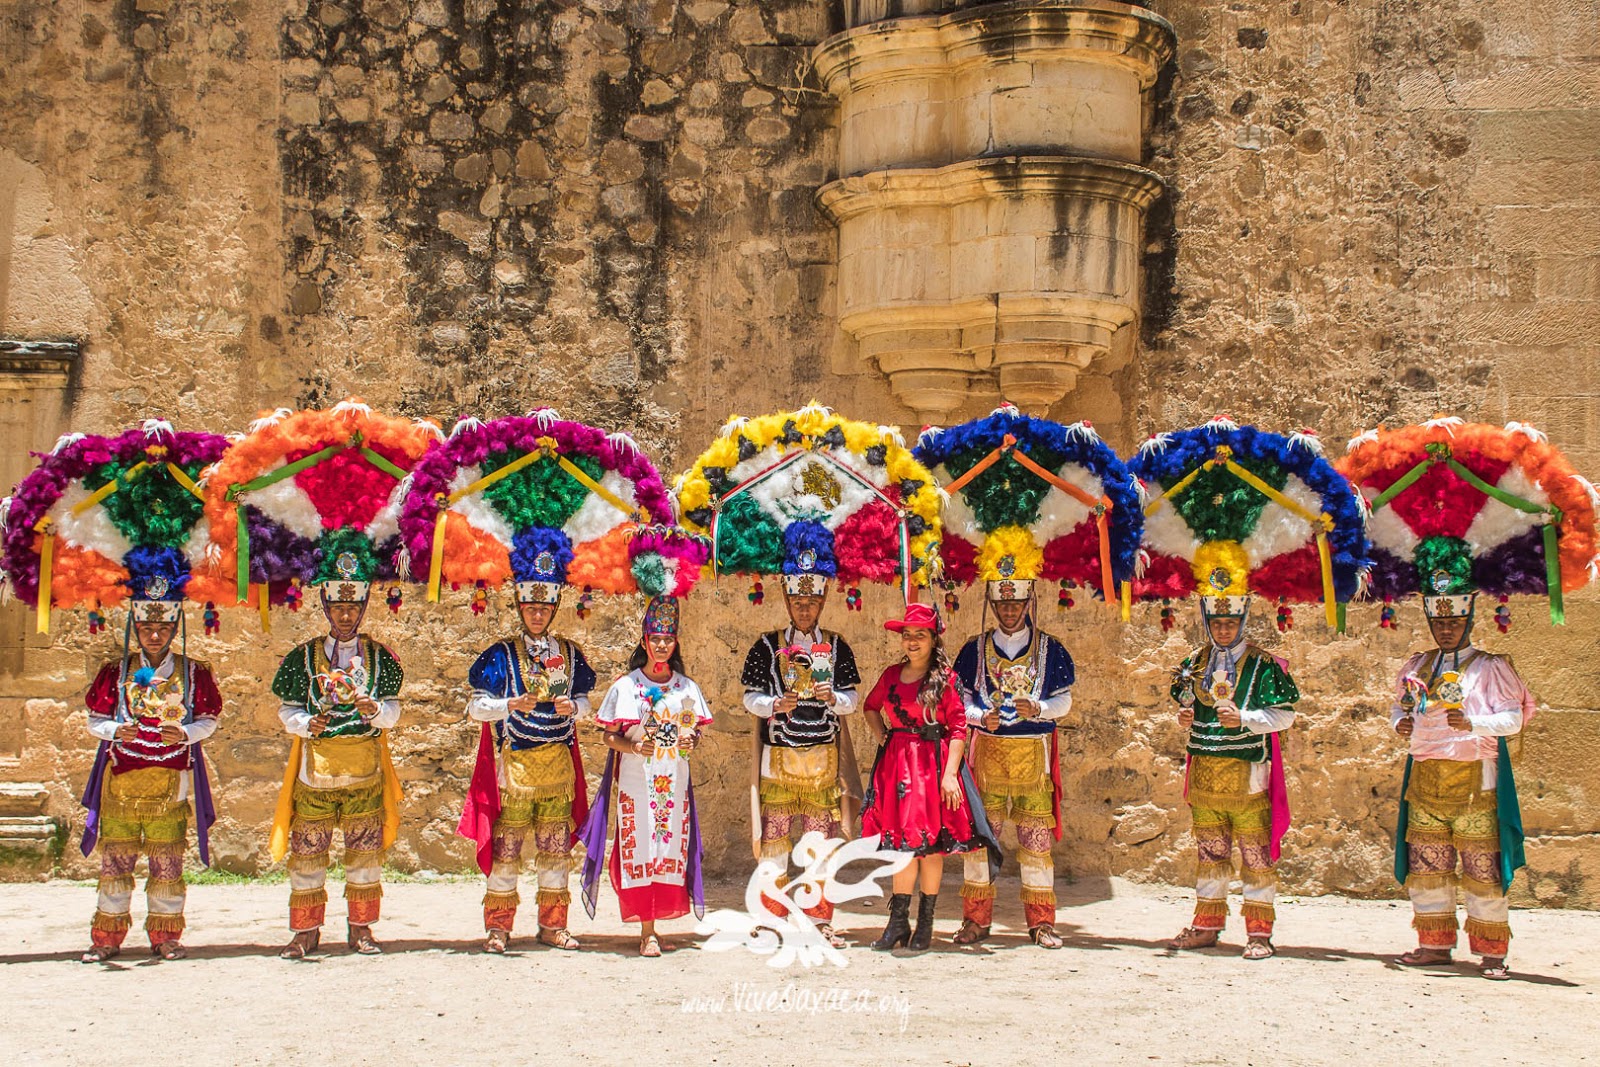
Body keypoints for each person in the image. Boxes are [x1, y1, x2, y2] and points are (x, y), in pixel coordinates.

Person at [1391, 579, 1533, 980]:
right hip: (1425, 778)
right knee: (1427, 866)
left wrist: (1473, 723)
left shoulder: (1491, 668)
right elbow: (1397, 709)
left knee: (1481, 869)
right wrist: (1400, 723)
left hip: (1476, 782)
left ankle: (1491, 953)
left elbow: (1513, 718)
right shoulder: (1417, 666)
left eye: (1454, 620)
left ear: (1468, 619)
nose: (1447, 629)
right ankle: (1434, 945)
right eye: (1440, 622)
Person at [79, 571, 221, 963]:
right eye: (146, 627)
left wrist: (187, 734)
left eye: (162, 627)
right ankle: (107, 937)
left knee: (167, 861)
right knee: (116, 860)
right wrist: (115, 729)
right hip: (121, 781)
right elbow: (94, 719)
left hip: (169, 781)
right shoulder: (116, 672)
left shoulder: (194, 673)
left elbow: (209, 720)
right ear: (135, 626)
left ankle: (165, 935)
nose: (154, 635)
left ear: (174, 626)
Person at [269, 550, 404, 958]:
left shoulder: (381, 657)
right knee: (308, 851)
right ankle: (305, 931)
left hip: (364, 767)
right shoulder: (303, 657)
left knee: (364, 852)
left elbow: (394, 712)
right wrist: (303, 723)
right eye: (338, 606)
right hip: (316, 771)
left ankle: (361, 928)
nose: (346, 615)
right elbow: (286, 709)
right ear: (326, 605)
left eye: (353, 606)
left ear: (363, 607)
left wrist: (376, 711)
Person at [460, 557, 596, 953]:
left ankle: (553, 926)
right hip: (516, 767)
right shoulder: (501, 655)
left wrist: (577, 708)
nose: (537, 613)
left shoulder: (570, 654)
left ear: (553, 608)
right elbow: (475, 707)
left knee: (555, 851)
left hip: (557, 766)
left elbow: (586, 700)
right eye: (530, 607)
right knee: (507, 851)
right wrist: (508, 705)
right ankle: (499, 928)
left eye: (544, 607)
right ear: (520, 607)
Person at [1166, 590, 1298, 960]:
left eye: (1231, 622)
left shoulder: (1262, 664)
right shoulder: (1192, 664)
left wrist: (1246, 718)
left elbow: (1285, 715)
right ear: (1207, 623)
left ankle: (1259, 932)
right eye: (1217, 622)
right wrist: (1184, 718)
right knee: (1210, 852)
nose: (1223, 630)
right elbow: (1185, 704)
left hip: (1247, 772)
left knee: (1255, 855)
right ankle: (1207, 924)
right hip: (1205, 770)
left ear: (1242, 622)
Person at [578, 596, 713, 957]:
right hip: (637, 783)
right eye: (655, 638)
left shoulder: (686, 688)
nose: (661, 645)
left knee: (669, 848)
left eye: (668, 639)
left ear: (675, 643)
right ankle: (646, 930)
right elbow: (608, 736)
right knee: (639, 848)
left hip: (673, 783)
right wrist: (635, 748)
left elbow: (695, 733)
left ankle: (656, 922)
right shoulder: (626, 686)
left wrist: (692, 738)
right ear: (644, 641)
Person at [740, 553, 862, 948]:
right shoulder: (765, 646)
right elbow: (749, 698)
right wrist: (774, 704)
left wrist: (834, 698)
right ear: (788, 602)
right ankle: (771, 917)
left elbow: (853, 699)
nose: (804, 608)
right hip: (779, 758)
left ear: (822, 602)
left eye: (811, 602)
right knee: (775, 842)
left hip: (823, 759)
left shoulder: (838, 646)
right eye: (798, 602)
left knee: (818, 844)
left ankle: (818, 919)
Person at [861, 602, 998, 952]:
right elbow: (870, 706)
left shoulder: (947, 680)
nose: (911, 642)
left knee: (929, 848)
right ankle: (897, 924)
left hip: (932, 768)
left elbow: (957, 728)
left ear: (933, 639)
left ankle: (925, 924)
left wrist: (951, 775)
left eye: (919, 635)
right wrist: (883, 738)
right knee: (902, 848)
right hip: (899, 767)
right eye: (907, 636)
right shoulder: (892, 675)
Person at [952, 565, 1074, 948]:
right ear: (992, 602)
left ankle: (1041, 923)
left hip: (1032, 756)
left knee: (1036, 843)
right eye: (1003, 603)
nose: (1009, 610)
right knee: (981, 842)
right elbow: (960, 700)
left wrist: (1038, 709)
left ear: (1028, 601)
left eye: (1016, 602)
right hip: (988, 753)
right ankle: (975, 920)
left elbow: (1065, 700)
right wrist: (978, 717)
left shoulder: (1050, 649)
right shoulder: (973, 648)